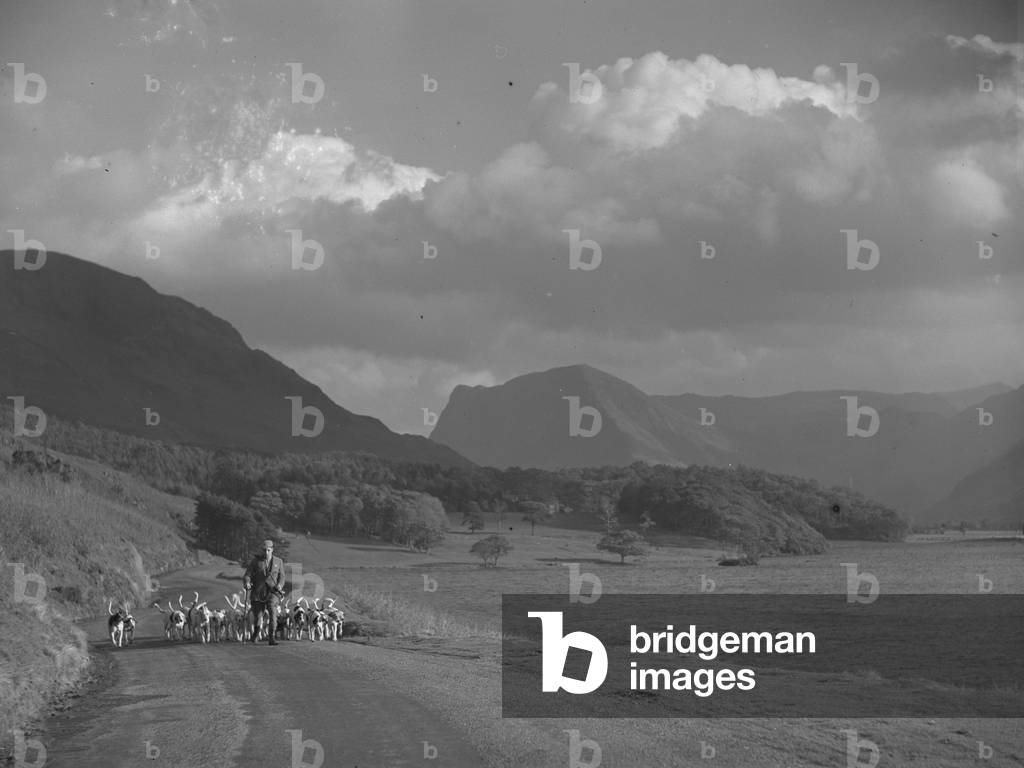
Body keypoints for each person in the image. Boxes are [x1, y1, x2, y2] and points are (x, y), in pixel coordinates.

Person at [243, 539, 285, 645]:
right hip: (258, 592)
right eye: (264, 550)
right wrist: (247, 582)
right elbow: (247, 574)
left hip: (273, 592)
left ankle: (272, 638)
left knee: (273, 613)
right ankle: (256, 633)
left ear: (272, 550)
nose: (266, 552)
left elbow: (282, 576)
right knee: (258, 616)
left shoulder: (279, 561)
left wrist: (279, 585)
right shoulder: (255, 561)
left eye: (268, 550)